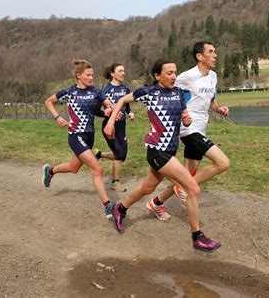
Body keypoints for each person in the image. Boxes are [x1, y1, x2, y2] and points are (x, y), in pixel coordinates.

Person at [104, 59, 221, 253]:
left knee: (147, 188)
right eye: (169, 73)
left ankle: (120, 208)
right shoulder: (149, 92)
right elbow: (123, 100)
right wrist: (110, 123)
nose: (174, 76)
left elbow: (184, 113)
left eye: (175, 72)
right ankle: (197, 237)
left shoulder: (177, 93)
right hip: (157, 150)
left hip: (170, 150)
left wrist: (187, 117)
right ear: (157, 75)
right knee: (192, 188)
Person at [148, 41, 230, 219]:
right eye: (210, 51)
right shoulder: (186, 76)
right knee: (222, 163)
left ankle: (157, 203)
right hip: (188, 128)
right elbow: (164, 85)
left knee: (185, 174)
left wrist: (219, 108)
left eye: (215, 51)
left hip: (201, 128)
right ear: (200, 56)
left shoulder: (213, 76)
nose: (215, 55)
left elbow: (212, 102)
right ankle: (184, 187)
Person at [42, 59, 117, 219]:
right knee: (97, 169)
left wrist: (110, 109)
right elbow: (48, 102)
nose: (91, 78)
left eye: (92, 75)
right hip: (76, 136)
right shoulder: (69, 92)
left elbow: (108, 104)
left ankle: (50, 171)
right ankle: (108, 205)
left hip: (89, 136)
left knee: (73, 168)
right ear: (78, 75)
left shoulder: (95, 92)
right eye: (88, 75)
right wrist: (57, 117)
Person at [93, 63, 134, 193]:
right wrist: (107, 112)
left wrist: (130, 113)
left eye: (124, 70)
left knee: (123, 155)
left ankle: (99, 154)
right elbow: (95, 110)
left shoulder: (125, 89)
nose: (123, 73)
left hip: (122, 126)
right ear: (112, 74)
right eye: (120, 71)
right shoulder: (104, 91)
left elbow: (126, 105)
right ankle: (115, 182)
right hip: (109, 127)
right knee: (119, 153)